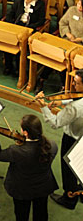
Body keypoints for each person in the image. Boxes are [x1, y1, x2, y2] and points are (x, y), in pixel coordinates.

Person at [0, 115, 58, 220]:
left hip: (22, 189)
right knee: (41, 213)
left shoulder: (16, 151)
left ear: (25, 133)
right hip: (43, 186)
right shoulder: (52, 145)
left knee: (22, 215)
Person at [35, 69, 83, 210]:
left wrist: (44, 107)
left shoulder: (74, 108)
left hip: (72, 139)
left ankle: (69, 199)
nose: (73, 85)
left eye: (77, 83)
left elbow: (55, 123)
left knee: (68, 170)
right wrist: (61, 102)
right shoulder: (76, 101)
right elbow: (76, 96)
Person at [4, 0, 45, 76]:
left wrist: (30, 28)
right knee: (7, 42)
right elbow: (9, 15)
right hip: (17, 25)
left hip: (30, 28)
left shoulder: (40, 4)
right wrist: (12, 25)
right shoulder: (18, 1)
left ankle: (19, 69)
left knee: (22, 46)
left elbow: (41, 20)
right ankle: (8, 66)